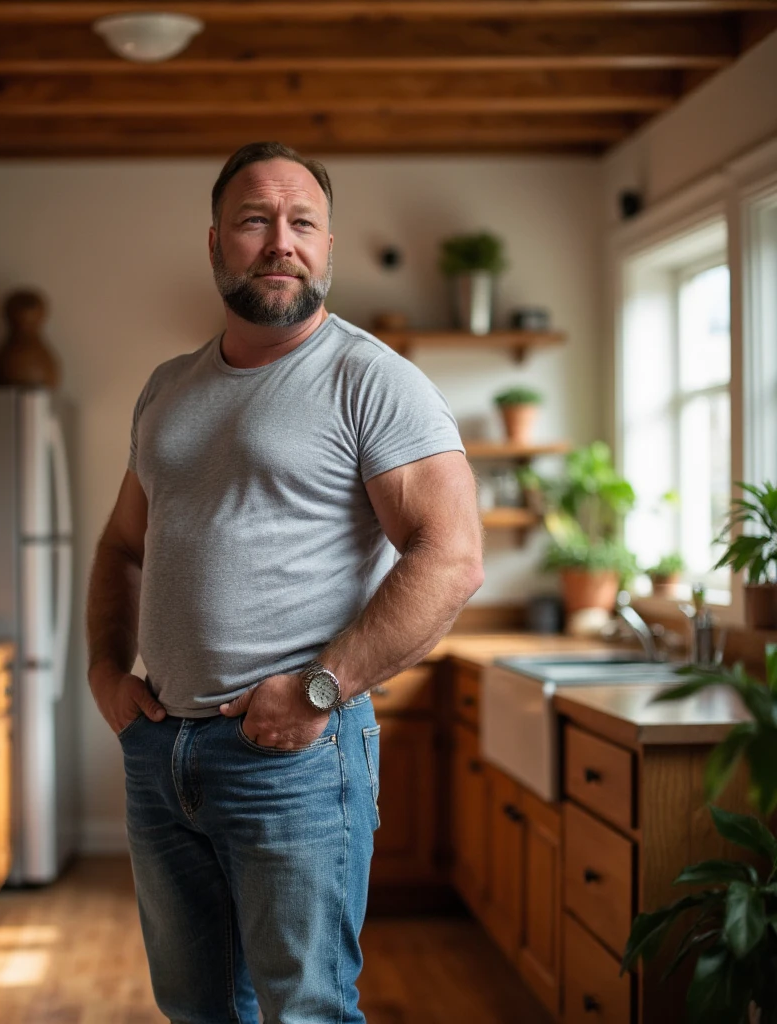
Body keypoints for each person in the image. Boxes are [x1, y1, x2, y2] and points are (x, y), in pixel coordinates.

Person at [86, 140, 484, 1024]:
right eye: (254, 221)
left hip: (295, 757)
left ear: (328, 247)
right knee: (194, 1010)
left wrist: (319, 690)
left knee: (305, 1010)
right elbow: (121, 545)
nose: (280, 242)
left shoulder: (371, 379)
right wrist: (106, 674)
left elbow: (451, 556)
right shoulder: (166, 388)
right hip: (163, 750)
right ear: (216, 243)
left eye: (302, 222)